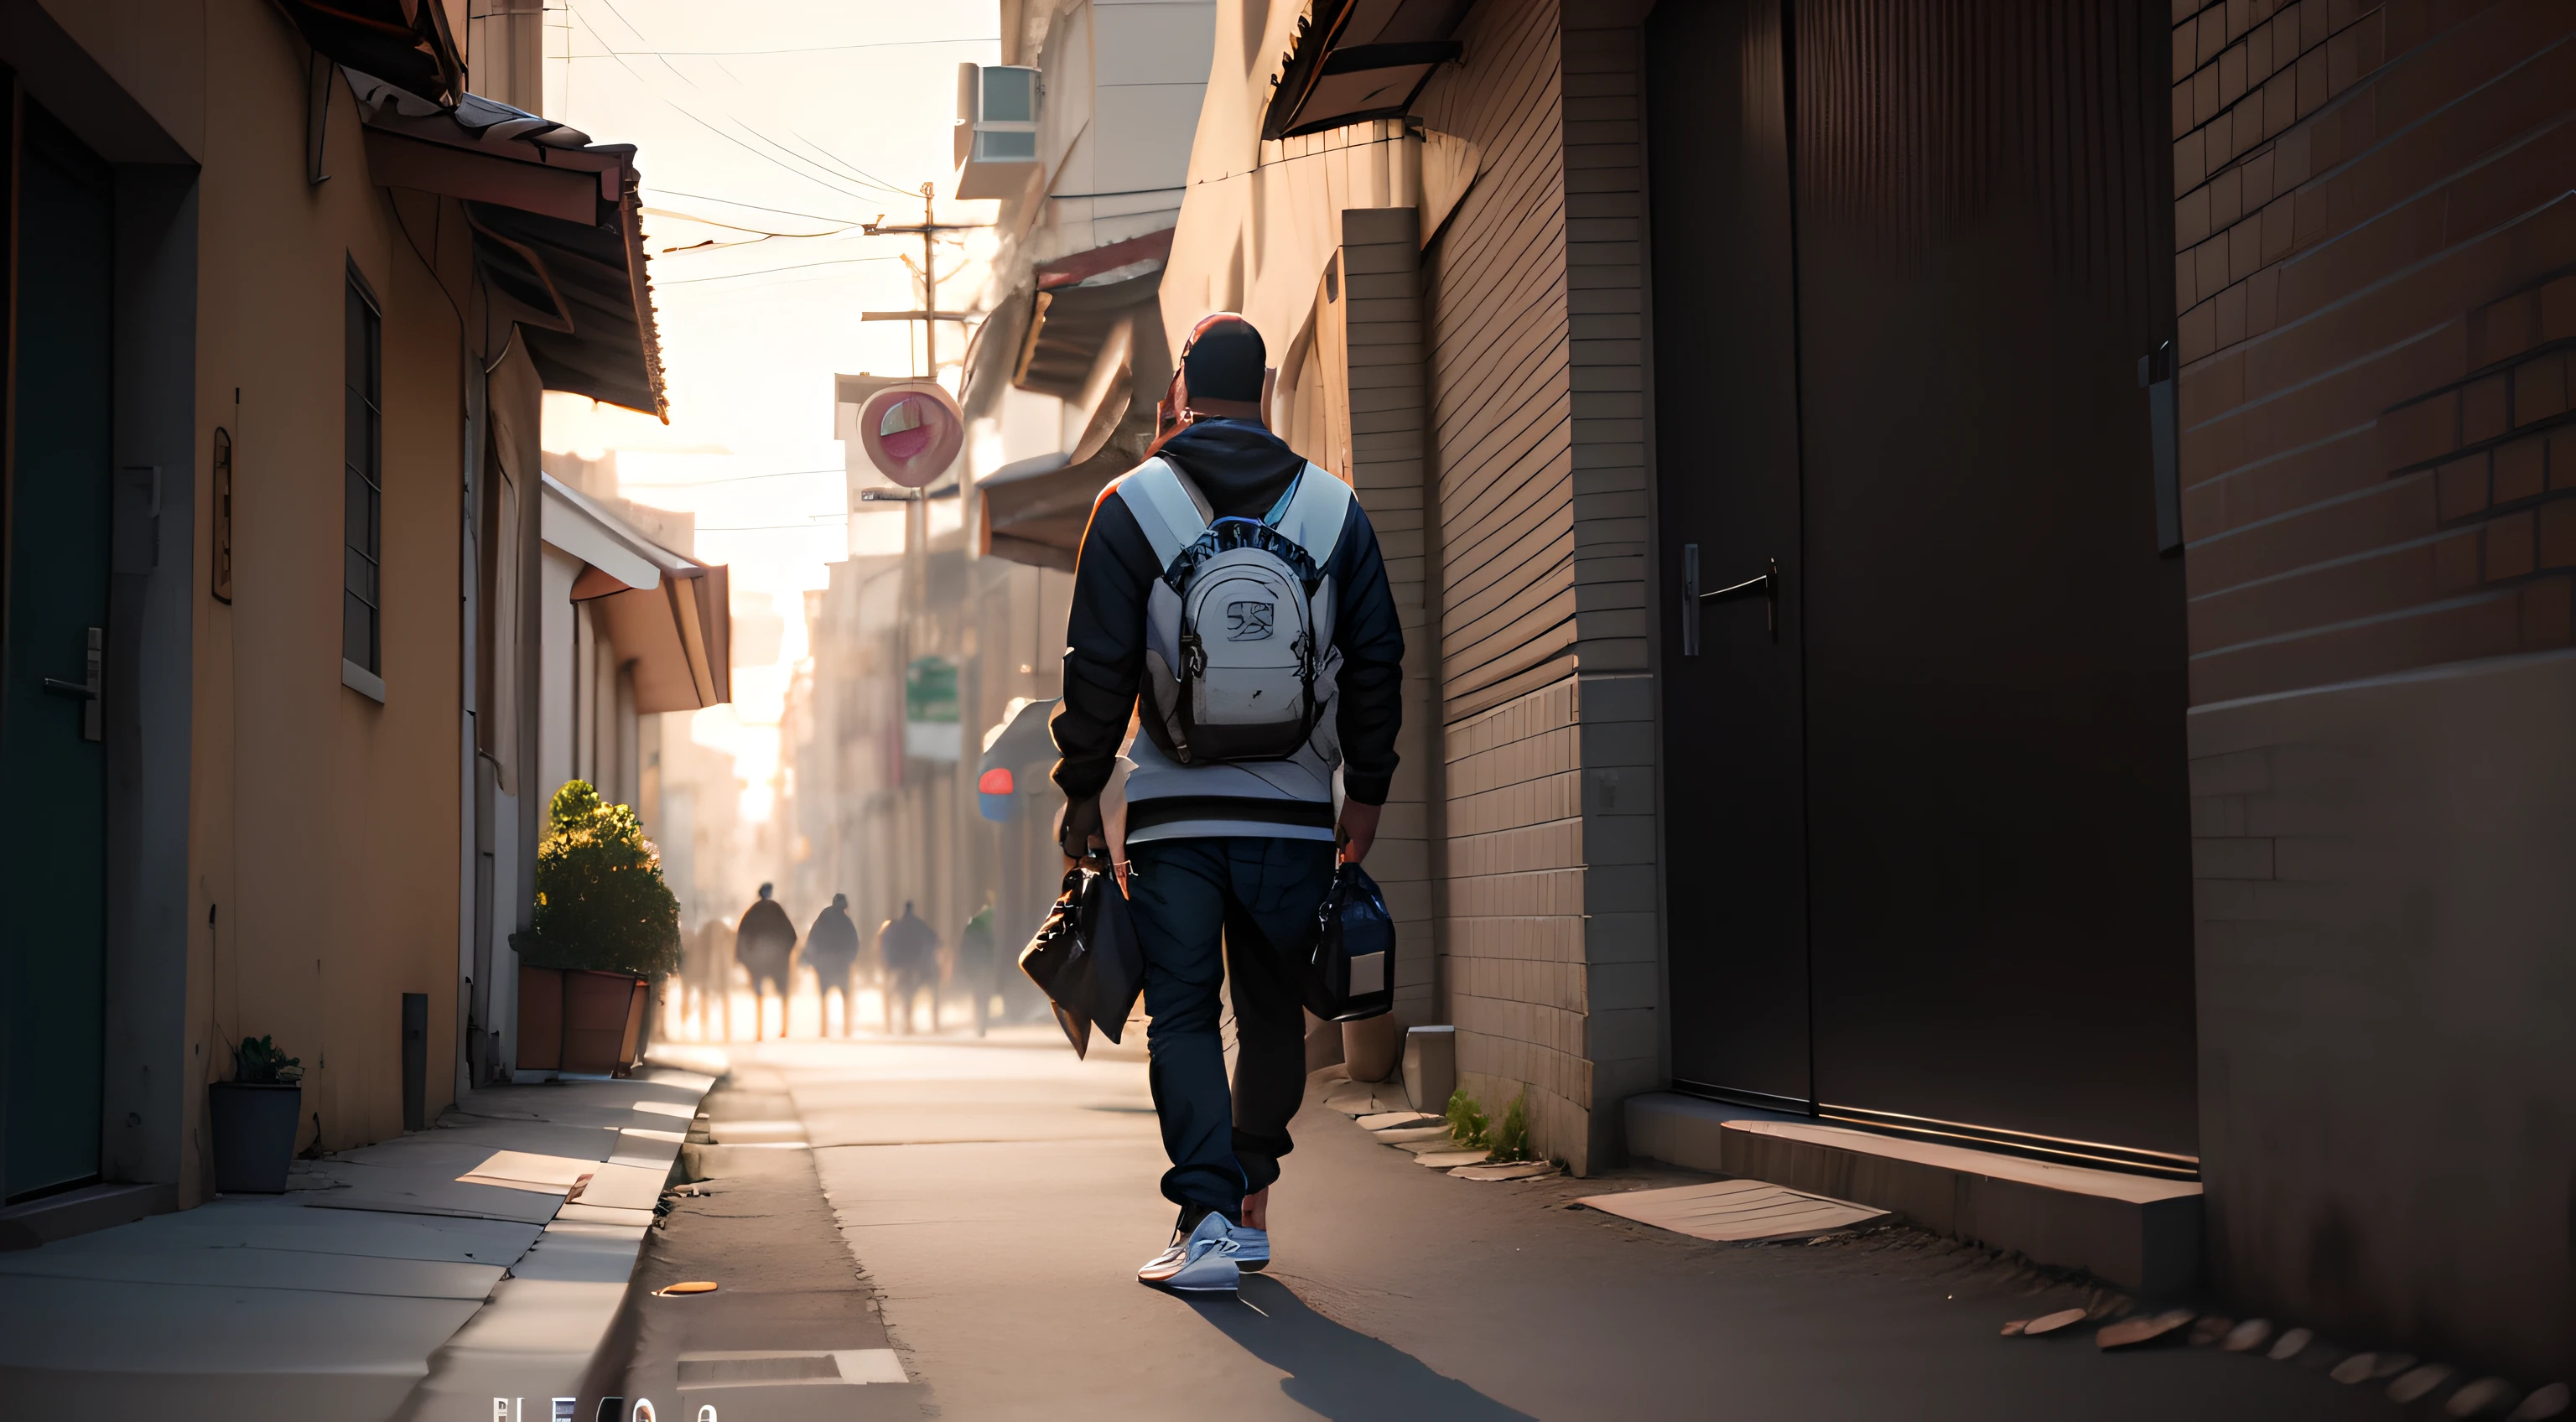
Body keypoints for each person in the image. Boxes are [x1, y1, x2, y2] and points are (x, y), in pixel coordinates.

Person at [1052, 314, 1403, 1294]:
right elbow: (1378, 658)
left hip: (1173, 817)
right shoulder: (1335, 510)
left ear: (1177, 394)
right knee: (1276, 1013)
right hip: (1294, 812)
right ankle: (1250, 1198)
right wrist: (1364, 789)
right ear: (1266, 394)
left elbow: (1096, 665)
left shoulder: (1131, 504)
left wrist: (1083, 787)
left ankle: (1203, 1215)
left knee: (1186, 1017)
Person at [734, 883, 797, 1041]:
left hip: (757, 962)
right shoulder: (777, 910)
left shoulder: (752, 912)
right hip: (778, 961)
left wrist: (743, 958)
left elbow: (742, 935)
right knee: (783, 993)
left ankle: (760, 1032)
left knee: (759, 994)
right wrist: (785, 953)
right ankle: (784, 1029)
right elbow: (792, 935)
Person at [877, 901, 940, 1035]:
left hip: (899, 967)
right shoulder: (921, 926)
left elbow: (886, 948)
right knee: (919, 990)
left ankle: (900, 1022)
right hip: (918, 967)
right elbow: (933, 942)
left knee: (900, 992)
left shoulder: (894, 928)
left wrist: (890, 965)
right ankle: (934, 1023)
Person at [805, 893, 863, 1037]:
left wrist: (815, 961)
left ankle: (824, 1029)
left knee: (824, 996)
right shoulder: (847, 922)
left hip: (824, 965)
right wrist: (849, 960)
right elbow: (854, 944)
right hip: (841, 964)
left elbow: (812, 940)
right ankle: (846, 1029)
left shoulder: (821, 919)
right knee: (845, 995)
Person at [957, 895, 998, 1038]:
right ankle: (982, 1025)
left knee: (978, 996)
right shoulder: (989, 925)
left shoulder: (972, 925)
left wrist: (965, 966)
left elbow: (964, 949)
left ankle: (980, 1024)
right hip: (985, 966)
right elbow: (993, 947)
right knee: (984, 996)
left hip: (976, 966)